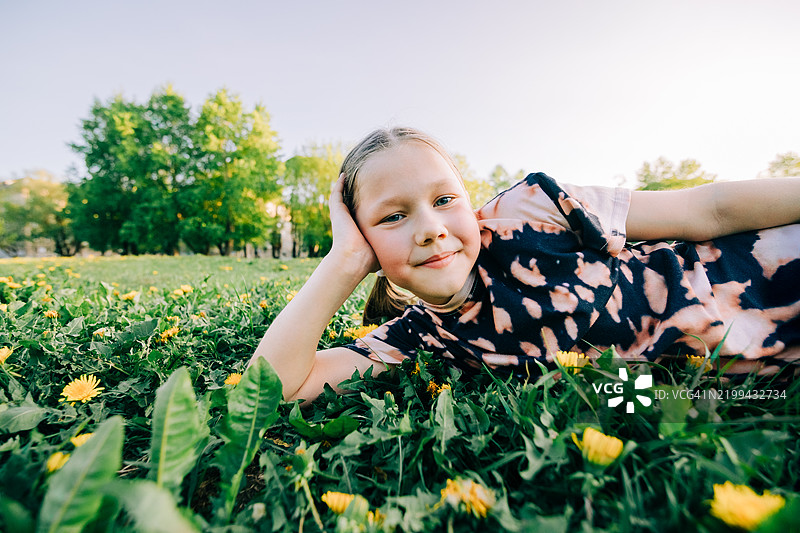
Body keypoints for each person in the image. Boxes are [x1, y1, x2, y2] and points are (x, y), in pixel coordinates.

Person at [250, 127, 800, 402]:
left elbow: (709, 209)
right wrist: (343, 262)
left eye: (444, 200)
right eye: (392, 217)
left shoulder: (532, 208)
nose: (431, 228)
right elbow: (271, 389)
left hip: (770, 269)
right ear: (363, 241)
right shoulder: (422, 339)